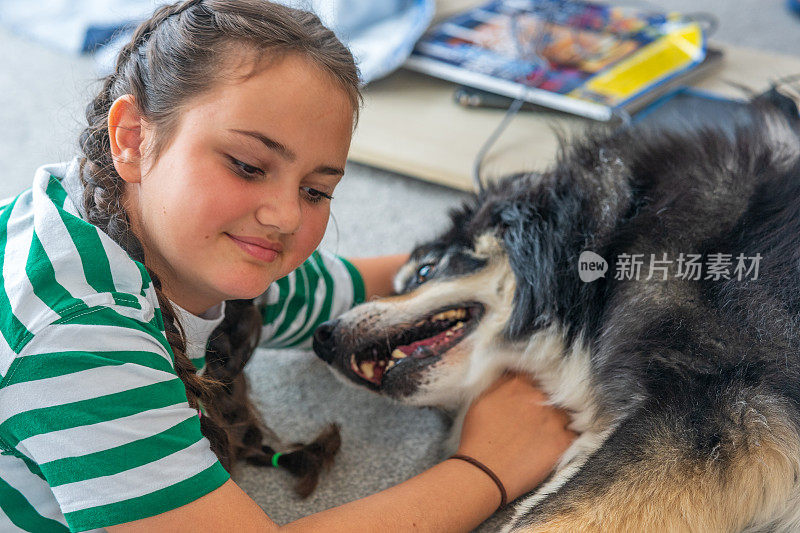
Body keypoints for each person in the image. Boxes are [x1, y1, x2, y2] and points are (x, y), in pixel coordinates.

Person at [0, 1, 576, 531]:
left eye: (316, 191)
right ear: (131, 138)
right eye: (248, 166)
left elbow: (366, 284)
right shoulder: (78, 333)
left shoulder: (160, 226)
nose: (282, 217)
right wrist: (487, 467)